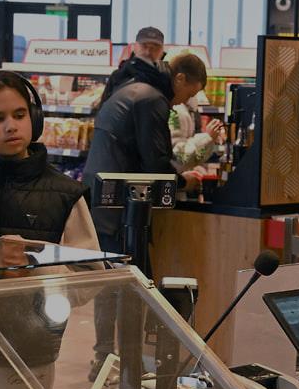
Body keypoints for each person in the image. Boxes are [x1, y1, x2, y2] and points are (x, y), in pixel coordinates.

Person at [0, 69, 99, 250]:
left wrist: (33, 256)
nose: (11, 127)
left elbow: (89, 264)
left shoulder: (67, 194)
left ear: (34, 119)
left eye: (20, 116)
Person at [83, 53, 208, 253]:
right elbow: (155, 164)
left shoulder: (135, 87)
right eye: (189, 94)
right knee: (126, 268)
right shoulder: (151, 100)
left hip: (103, 201)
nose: (185, 101)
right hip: (119, 211)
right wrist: (184, 182)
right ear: (180, 78)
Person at [99, 26, 167, 103]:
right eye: (144, 46)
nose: (148, 52)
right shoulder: (119, 75)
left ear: (162, 51)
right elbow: (104, 105)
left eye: (154, 48)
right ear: (135, 47)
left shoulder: (166, 77)